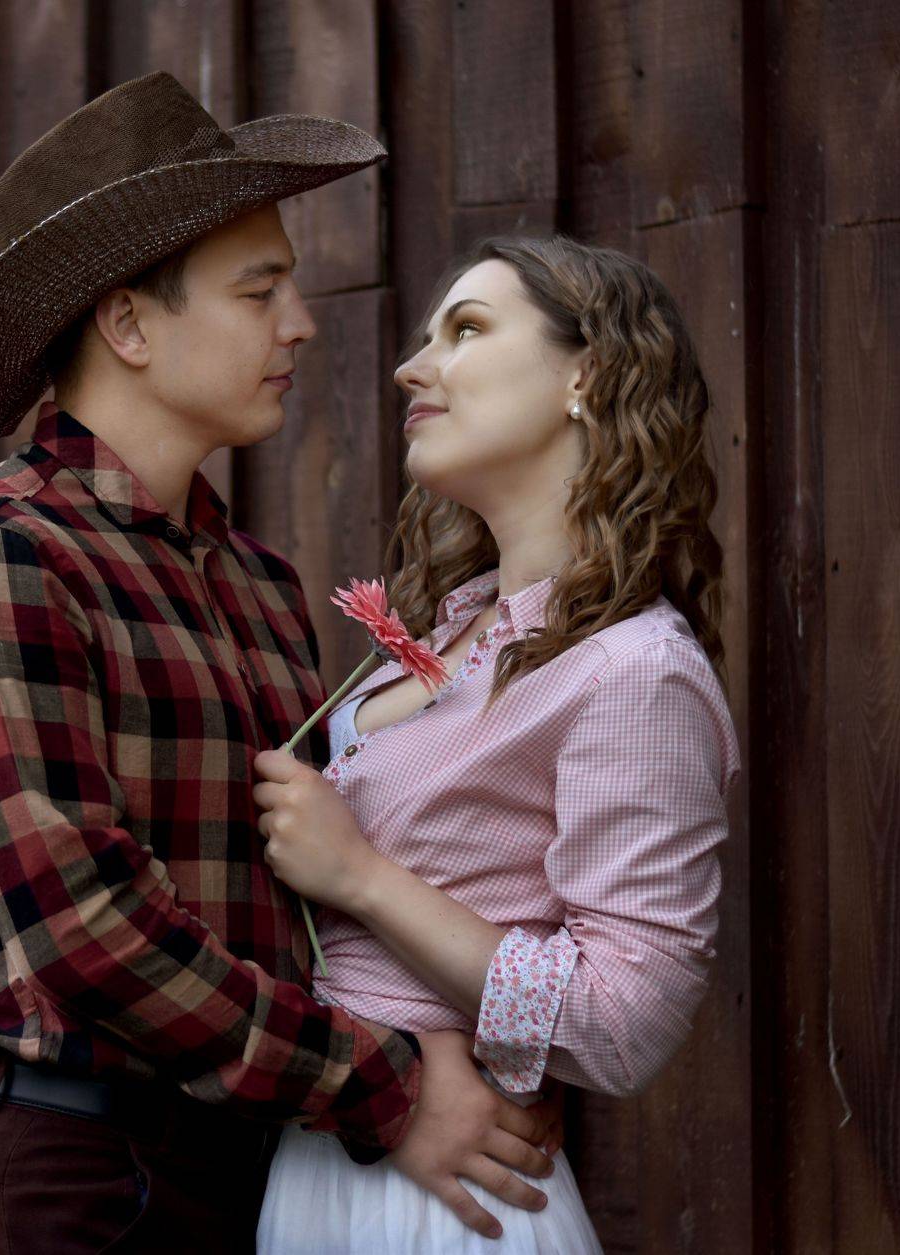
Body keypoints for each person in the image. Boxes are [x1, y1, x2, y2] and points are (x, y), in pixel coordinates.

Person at [0, 74, 558, 1253]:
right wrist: (388, 1085)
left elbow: (308, 899)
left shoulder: (256, 585)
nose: (300, 322)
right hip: (64, 1179)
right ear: (129, 325)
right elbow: (80, 929)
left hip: (251, 1170)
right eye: (259, 290)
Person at [252, 235, 742, 1252]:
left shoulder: (633, 668)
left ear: (586, 374)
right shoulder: (443, 635)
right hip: (328, 1160)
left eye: (467, 330)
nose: (410, 367)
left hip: (447, 1207)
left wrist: (361, 876)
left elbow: (625, 1020)